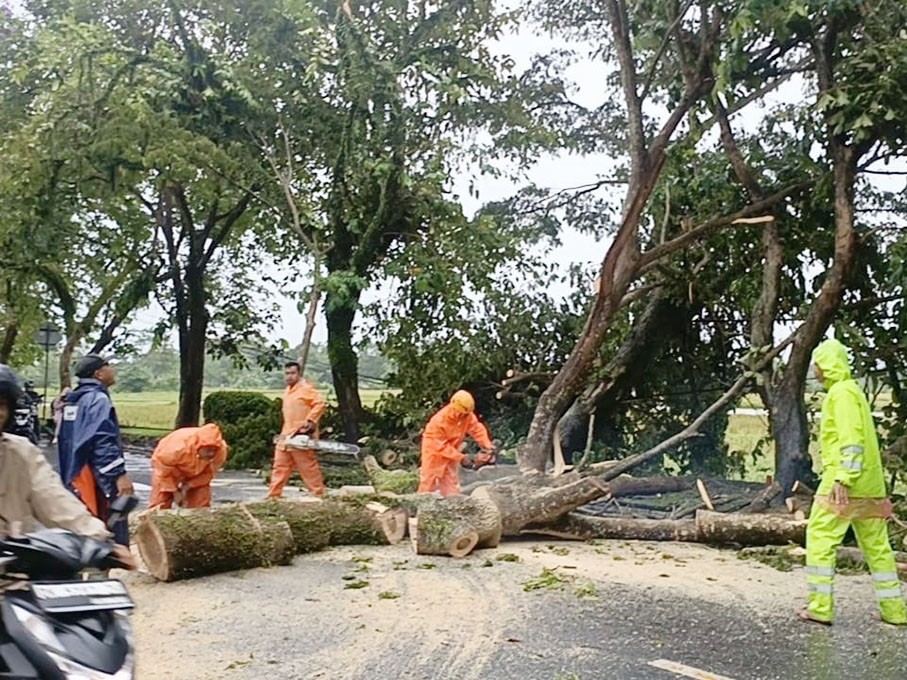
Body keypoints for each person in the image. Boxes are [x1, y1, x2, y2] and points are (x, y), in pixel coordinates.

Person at [798, 338, 907, 626]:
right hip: (870, 484)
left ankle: (820, 607)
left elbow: (851, 441)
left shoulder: (840, 394)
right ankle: (894, 611)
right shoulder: (853, 391)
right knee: (877, 547)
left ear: (826, 365)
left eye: (817, 364)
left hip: (845, 482)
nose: (815, 371)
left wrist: (843, 478)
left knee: (820, 538)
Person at [0, 364, 134, 567]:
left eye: (1, 404)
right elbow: (102, 438)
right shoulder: (97, 399)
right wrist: (115, 473)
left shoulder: (20, 453)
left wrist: (99, 540)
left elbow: (53, 499)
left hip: (13, 573)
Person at [56, 354, 134, 546]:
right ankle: (99, 574)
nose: (112, 370)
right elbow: (102, 440)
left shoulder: (72, 401)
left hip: (75, 474)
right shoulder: (98, 400)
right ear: (98, 374)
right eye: (108, 366)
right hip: (95, 476)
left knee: (82, 528)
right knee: (103, 530)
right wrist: (119, 476)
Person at [418, 390, 495, 497]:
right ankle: (422, 506)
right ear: (454, 406)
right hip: (434, 453)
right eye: (462, 414)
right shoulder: (438, 421)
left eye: (466, 414)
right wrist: (461, 458)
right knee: (429, 482)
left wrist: (487, 445)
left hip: (452, 451)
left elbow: (477, 429)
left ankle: (453, 505)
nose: (463, 417)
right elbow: (440, 446)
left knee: (451, 481)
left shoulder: (467, 415)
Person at [267, 361, 327, 498]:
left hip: (300, 434)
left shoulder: (306, 388)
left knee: (308, 467)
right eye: (287, 373)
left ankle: (318, 494)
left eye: (292, 373)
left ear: (299, 374)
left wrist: (310, 421)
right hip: (286, 434)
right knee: (279, 467)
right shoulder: (288, 390)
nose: (289, 376)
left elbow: (320, 404)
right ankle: (273, 495)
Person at [149, 422, 229, 509]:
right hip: (170, 470)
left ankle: (198, 520)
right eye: (208, 450)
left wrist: (187, 487)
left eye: (214, 450)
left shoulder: (221, 450)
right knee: (160, 502)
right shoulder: (175, 448)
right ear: (198, 446)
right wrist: (174, 492)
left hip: (198, 472)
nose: (211, 453)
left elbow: (208, 473)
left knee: (201, 501)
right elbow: (162, 471)